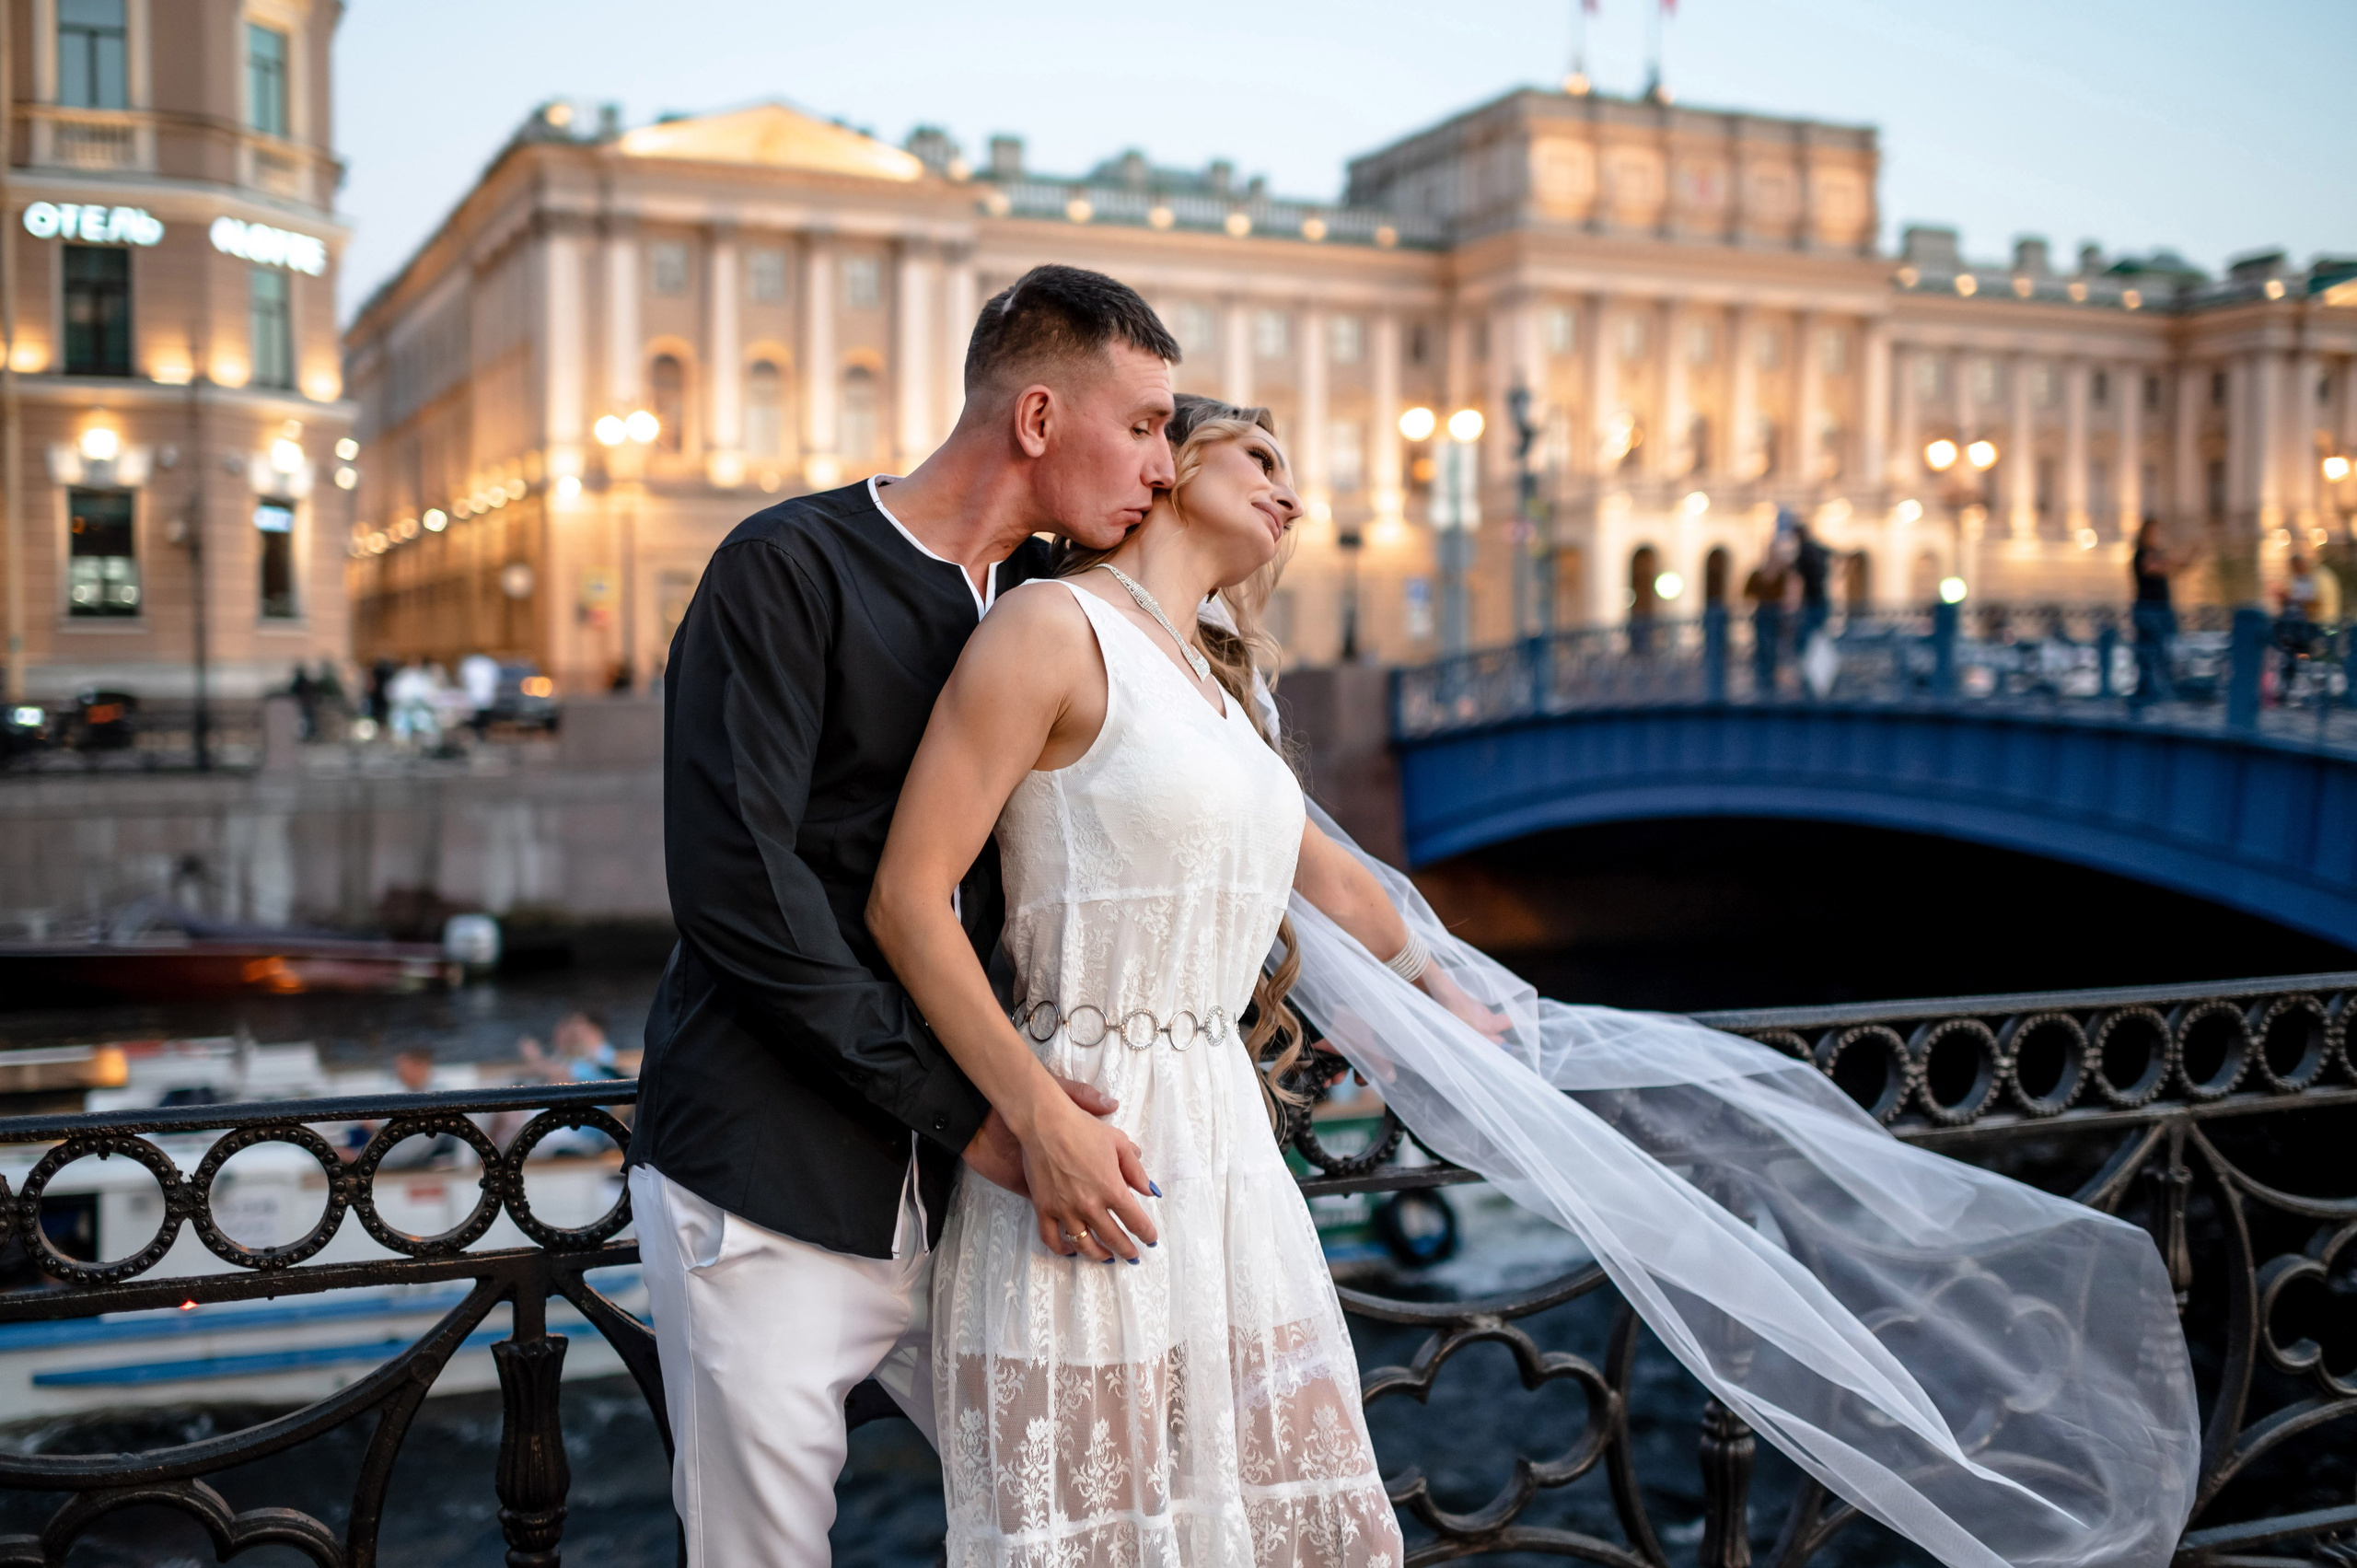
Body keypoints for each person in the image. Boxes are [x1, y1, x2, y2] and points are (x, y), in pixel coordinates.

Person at [877, 399, 2198, 1568]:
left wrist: (1464, 1008)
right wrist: (1030, 1107)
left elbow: (1335, 885)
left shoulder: (1220, 691)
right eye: (1260, 457)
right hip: (1088, 1118)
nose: (1293, 493)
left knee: (1290, 1511)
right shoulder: (1054, 627)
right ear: (1170, 464)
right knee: (1102, 1518)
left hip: (1224, 1135)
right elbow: (908, 894)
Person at [624, 265, 1189, 1567]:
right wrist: (982, 1113)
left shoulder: (1059, 609)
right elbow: (739, 892)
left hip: (986, 1199)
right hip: (769, 1177)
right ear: (1037, 418)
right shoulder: (785, 567)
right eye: (1144, 424)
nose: (1161, 466)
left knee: (1094, 1522)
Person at [2130, 517, 2178, 709]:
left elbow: (2172, 568)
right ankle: (2149, 694)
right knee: (2150, 652)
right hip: (2149, 611)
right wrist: (2172, 562)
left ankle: (2154, 692)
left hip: (2160, 609)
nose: (2158, 536)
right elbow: (2153, 568)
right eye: (2155, 532)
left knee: (2159, 652)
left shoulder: (2155, 554)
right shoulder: (2142, 554)